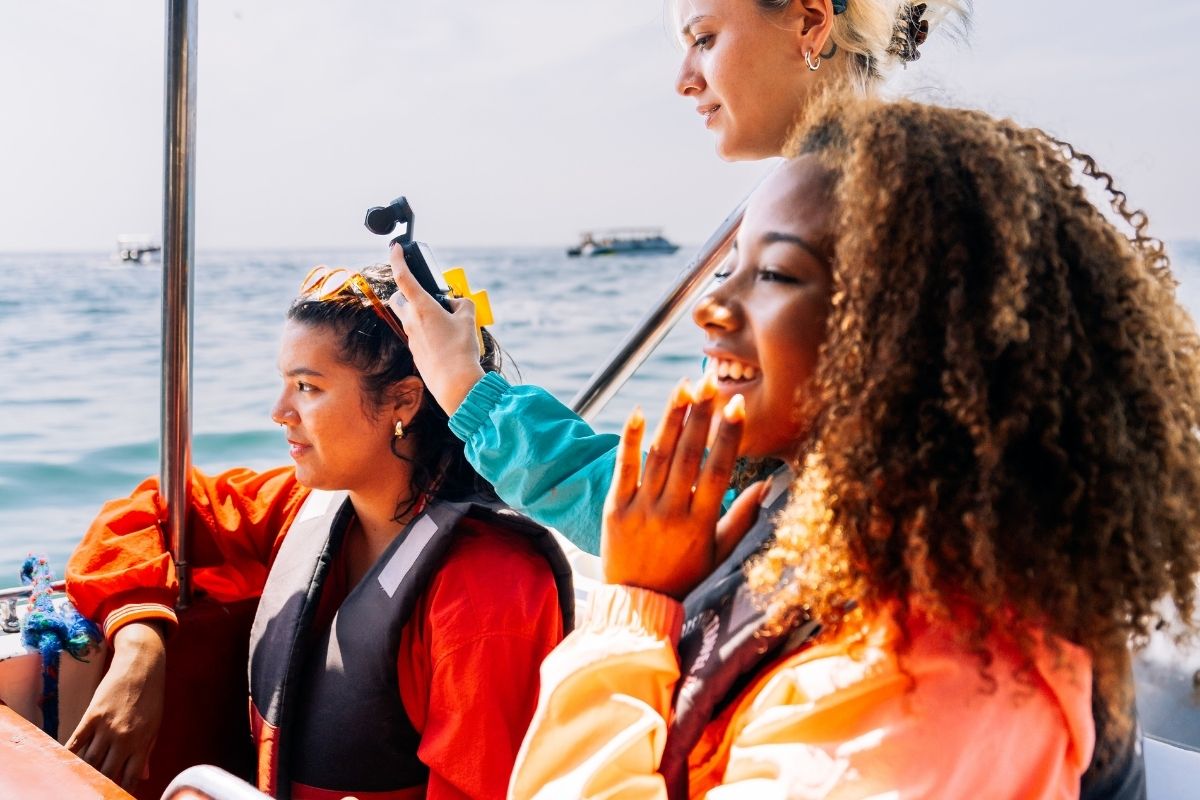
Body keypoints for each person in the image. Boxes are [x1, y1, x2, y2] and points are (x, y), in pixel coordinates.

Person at [506, 95, 1200, 798]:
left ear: (911, 332)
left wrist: (634, 605)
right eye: (730, 268)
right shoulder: (831, 522)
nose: (707, 308)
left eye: (775, 273)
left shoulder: (927, 679)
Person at [388, 0, 968, 555]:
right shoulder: (904, 196)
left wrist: (470, 393)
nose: (684, 79)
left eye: (705, 39)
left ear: (811, 23)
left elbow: (688, 512)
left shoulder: (858, 221)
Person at [65, 265, 573, 799]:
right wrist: (140, 649)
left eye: (307, 387)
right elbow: (143, 512)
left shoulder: (489, 594)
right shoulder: (302, 507)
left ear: (403, 400)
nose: (279, 412)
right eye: (285, 384)